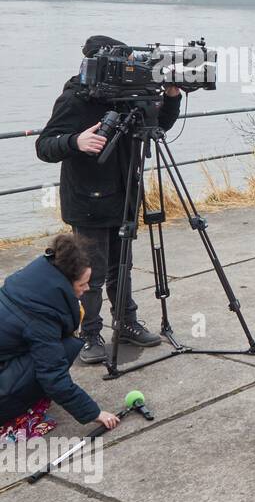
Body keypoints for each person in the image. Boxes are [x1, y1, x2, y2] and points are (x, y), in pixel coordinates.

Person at [35, 35, 182, 364]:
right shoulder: (75, 98)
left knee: (122, 266)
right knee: (91, 272)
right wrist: (75, 141)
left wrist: (171, 96)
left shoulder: (131, 94)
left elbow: (159, 124)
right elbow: (45, 145)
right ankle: (88, 334)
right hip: (88, 202)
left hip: (125, 195)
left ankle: (126, 322)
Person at [1, 235, 119, 435]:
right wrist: (94, 413)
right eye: (82, 284)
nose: (87, 288)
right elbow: (53, 377)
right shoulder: (40, 319)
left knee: (55, 346)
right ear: (65, 282)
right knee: (65, 347)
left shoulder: (28, 284)